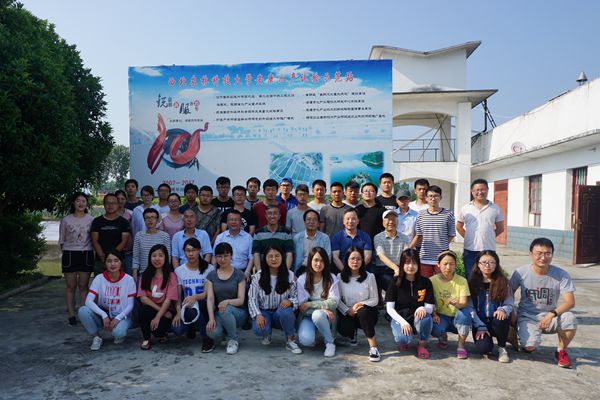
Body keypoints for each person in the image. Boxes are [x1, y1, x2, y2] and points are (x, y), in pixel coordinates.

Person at [509, 237, 577, 368]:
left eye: (547, 254)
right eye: (539, 253)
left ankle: (561, 351)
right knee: (529, 347)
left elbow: (570, 302)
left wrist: (551, 314)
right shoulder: (520, 272)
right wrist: (512, 313)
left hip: (550, 317)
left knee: (570, 318)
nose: (543, 257)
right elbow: (508, 294)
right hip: (527, 316)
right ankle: (526, 336)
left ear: (552, 255)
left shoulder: (561, 274)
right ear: (531, 254)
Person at [78, 250, 136, 350]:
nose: (112, 264)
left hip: (122, 316)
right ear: (105, 263)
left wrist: (118, 318)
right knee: (83, 310)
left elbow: (130, 305)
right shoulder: (99, 278)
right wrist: (103, 315)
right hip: (104, 314)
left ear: (121, 262)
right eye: (109, 261)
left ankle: (118, 333)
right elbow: (88, 301)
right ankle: (97, 337)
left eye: (116, 260)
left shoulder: (129, 280)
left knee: (118, 333)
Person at [248, 246, 302, 354]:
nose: (274, 259)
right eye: (270, 256)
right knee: (259, 329)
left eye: (277, 256)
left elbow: (297, 296)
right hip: (264, 311)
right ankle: (267, 332)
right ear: (265, 259)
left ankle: (290, 340)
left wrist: (290, 301)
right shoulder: (258, 276)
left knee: (286, 312)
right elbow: (252, 298)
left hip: (280, 311)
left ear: (282, 257)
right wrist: (258, 314)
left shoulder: (289, 275)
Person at [386, 249, 435, 359]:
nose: (411, 266)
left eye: (414, 263)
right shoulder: (395, 282)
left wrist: (422, 308)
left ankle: (422, 345)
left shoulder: (426, 282)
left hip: (418, 317)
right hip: (400, 318)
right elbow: (390, 309)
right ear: (402, 264)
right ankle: (405, 337)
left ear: (418, 264)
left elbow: (430, 307)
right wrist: (403, 322)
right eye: (407, 263)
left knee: (426, 317)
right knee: (404, 339)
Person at [469, 250, 513, 363]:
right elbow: (470, 308)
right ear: (478, 264)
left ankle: (502, 347)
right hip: (480, 322)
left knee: (501, 318)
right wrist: (479, 325)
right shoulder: (472, 283)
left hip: (497, 320)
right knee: (484, 349)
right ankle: (499, 336)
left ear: (496, 264)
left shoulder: (503, 282)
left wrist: (503, 310)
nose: (487, 265)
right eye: (484, 262)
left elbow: (509, 303)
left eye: (491, 262)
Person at [337, 247, 380, 362]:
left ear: (362, 261)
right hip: (348, 312)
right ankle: (352, 334)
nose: (355, 262)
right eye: (352, 259)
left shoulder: (370, 276)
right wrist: (347, 310)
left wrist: (359, 304)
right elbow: (337, 299)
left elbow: (375, 299)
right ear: (347, 260)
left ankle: (373, 347)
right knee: (344, 329)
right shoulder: (340, 277)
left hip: (366, 313)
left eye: (358, 259)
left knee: (363, 312)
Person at [456, 179, 505, 279]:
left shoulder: (495, 208)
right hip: (470, 250)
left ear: (487, 190)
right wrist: (469, 237)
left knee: (489, 277)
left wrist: (489, 236)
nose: (480, 192)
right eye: (477, 190)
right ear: (472, 191)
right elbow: (459, 226)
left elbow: (500, 228)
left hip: (489, 249)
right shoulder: (465, 208)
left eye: (483, 189)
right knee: (471, 277)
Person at [173, 238, 215, 352]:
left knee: (198, 307)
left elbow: (206, 294)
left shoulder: (209, 268)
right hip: (187, 305)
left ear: (199, 251)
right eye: (187, 250)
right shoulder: (179, 271)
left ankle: (207, 339)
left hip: (204, 303)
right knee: (178, 328)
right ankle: (191, 326)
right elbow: (178, 296)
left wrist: (195, 297)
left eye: (194, 250)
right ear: (184, 252)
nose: (190, 253)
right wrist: (178, 312)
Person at [205, 242, 248, 355]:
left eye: (226, 255)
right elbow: (210, 299)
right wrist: (211, 318)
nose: (223, 259)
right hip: (220, 312)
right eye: (219, 256)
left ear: (231, 256)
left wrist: (227, 301)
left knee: (225, 309)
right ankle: (225, 332)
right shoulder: (211, 275)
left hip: (238, 312)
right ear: (215, 257)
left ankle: (233, 339)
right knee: (212, 332)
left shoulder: (239, 274)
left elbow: (241, 300)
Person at [297, 247, 339, 357]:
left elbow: (334, 303)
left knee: (318, 315)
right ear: (310, 261)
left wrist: (311, 304)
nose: (319, 264)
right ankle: (315, 332)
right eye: (316, 260)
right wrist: (323, 308)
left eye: (322, 261)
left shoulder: (331, 278)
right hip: (307, 316)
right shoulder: (302, 279)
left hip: (328, 316)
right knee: (306, 341)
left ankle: (330, 342)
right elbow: (302, 307)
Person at [59, 192, 95, 326]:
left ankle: (84, 314)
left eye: (83, 201)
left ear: (86, 204)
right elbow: (62, 240)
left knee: (83, 286)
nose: (81, 203)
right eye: (78, 201)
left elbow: (94, 238)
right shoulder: (66, 220)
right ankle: (71, 315)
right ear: (73, 203)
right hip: (70, 254)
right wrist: (68, 250)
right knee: (70, 286)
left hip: (86, 254)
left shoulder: (91, 220)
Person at [137, 244, 180, 350]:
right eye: (154, 255)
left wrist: (159, 316)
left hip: (167, 310)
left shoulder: (171, 276)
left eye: (160, 255)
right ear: (150, 258)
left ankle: (162, 334)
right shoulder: (145, 275)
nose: (157, 259)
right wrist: (159, 313)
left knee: (158, 330)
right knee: (143, 311)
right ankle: (146, 339)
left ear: (166, 258)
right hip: (153, 309)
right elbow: (143, 298)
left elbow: (169, 299)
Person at [430, 250, 472, 359]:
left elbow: (464, 303)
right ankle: (442, 336)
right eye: (445, 264)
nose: (448, 267)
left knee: (465, 314)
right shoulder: (432, 281)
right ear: (438, 264)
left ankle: (461, 346)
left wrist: (457, 304)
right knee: (435, 328)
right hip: (441, 316)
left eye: (451, 264)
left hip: (456, 317)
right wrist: (434, 314)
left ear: (455, 265)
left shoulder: (462, 281)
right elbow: (429, 301)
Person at [410, 185, 456, 278]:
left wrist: (442, 245)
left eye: (436, 196)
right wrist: (408, 249)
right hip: (424, 257)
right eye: (430, 196)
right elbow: (418, 235)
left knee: (442, 282)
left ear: (440, 197)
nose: (433, 198)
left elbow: (451, 235)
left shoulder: (448, 214)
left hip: (442, 257)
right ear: (426, 198)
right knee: (425, 283)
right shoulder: (421, 215)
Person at [373, 210, 409, 301]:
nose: (391, 222)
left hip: (400, 268)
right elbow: (381, 256)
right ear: (383, 222)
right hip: (383, 270)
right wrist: (395, 268)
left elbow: (406, 255)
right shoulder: (378, 237)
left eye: (393, 219)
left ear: (397, 221)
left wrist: (400, 269)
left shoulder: (404, 237)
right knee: (392, 283)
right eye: (388, 219)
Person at [91, 193, 130, 276]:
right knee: (100, 283)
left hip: (117, 260)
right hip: (100, 260)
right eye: (107, 203)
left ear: (118, 205)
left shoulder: (124, 222)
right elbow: (94, 240)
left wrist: (112, 257)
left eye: (113, 203)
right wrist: (101, 255)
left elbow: (124, 241)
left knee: (118, 283)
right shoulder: (96, 221)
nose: (110, 205)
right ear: (104, 205)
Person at [214, 210, 254, 281]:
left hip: (242, 272)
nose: (233, 222)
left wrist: (247, 272)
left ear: (241, 222)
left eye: (236, 220)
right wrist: (214, 272)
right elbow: (214, 256)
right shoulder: (220, 238)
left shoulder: (248, 238)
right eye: (231, 220)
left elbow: (251, 258)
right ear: (227, 222)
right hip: (222, 272)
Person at [132, 208, 171, 281]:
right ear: (144, 220)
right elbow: (136, 257)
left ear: (157, 220)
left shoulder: (165, 236)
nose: (150, 220)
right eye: (147, 218)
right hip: (143, 274)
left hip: (160, 275)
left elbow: (168, 257)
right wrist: (134, 272)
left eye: (153, 217)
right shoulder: (138, 235)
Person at [252, 205, 294, 270]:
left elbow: (289, 253)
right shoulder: (258, 233)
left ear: (279, 216)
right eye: (269, 213)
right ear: (266, 216)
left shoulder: (286, 233)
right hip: (264, 269)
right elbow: (256, 254)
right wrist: (259, 271)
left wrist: (286, 270)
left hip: (282, 269)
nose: (272, 216)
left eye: (275, 213)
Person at [293, 209, 331, 276]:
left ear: (318, 223)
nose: (311, 222)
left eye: (314, 220)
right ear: (304, 222)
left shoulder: (325, 238)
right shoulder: (297, 238)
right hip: (301, 269)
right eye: (308, 219)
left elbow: (328, 257)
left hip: (318, 269)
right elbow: (293, 258)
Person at [115, 189, 134, 275]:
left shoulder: (131, 214)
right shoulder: (111, 213)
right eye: (118, 199)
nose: (120, 201)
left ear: (126, 200)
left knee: (128, 275)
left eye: (122, 199)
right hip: (115, 250)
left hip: (128, 250)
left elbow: (133, 230)